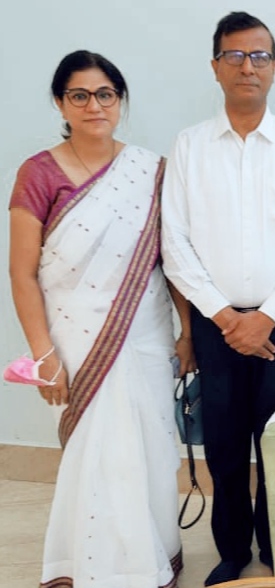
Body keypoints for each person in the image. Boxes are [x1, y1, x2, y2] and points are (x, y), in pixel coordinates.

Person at [8, 50, 194, 588]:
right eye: (80, 95)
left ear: (120, 100)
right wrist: (44, 354)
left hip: (147, 333)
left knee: (147, 449)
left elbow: (170, 262)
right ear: (60, 103)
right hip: (74, 338)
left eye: (105, 94)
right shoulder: (38, 172)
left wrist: (187, 333)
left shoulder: (152, 171)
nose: (94, 106)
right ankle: (93, 569)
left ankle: (148, 560)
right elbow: (22, 273)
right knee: (96, 454)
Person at [161, 11, 275, 586]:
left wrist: (265, 318)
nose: (247, 67)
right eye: (234, 56)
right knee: (225, 444)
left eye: (259, 56)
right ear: (216, 67)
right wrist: (226, 318)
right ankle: (232, 553)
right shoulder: (189, 147)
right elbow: (175, 244)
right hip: (215, 324)